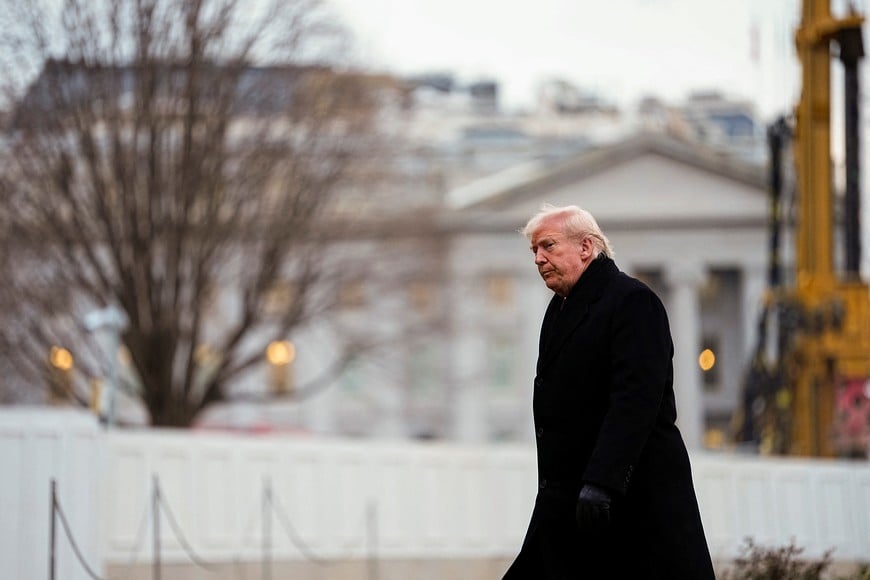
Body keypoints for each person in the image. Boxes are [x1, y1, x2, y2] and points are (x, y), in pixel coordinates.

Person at [502, 204, 715, 579]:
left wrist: (603, 481)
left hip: (627, 499)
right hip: (571, 500)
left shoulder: (633, 301)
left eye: (548, 246)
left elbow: (636, 400)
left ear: (586, 247)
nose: (538, 258)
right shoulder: (560, 309)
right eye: (534, 250)